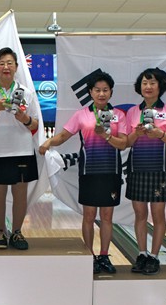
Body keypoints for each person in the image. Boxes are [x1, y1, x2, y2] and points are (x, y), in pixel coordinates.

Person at [39, 70, 127, 273]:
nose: (101, 94)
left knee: (106, 216)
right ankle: (89, 255)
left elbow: (122, 144)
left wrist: (106, 136)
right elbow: (63, 135)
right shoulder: (82, 115)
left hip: (111, 172)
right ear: (90, 92)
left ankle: (104, 256)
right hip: (88, 172)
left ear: (111, 92)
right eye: (97, 90)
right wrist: (49, 142)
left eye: (105, 90)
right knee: (88, 215)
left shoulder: (118, 116)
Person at [0, 47, 39, 251]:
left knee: (20, 195)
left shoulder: (26, 93)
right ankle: (1, 232)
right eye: (1, 63)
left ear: (16, 67)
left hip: (22, 150)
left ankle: (18, 232)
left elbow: (35, 125)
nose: (6, 67)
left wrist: (24, 118)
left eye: (10, 63)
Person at [124, 68, 166, 275]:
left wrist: (160, 134)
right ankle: (142, 253)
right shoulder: (132, 112)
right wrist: (135, 134)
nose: (148, 87)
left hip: (159, 169)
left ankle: (155, 257)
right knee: (140, 213)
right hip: (137, 168)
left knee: (158, 214)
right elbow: (125, 143)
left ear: (160, 87)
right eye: (144, 83)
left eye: (152, 83)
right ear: (139, 87)